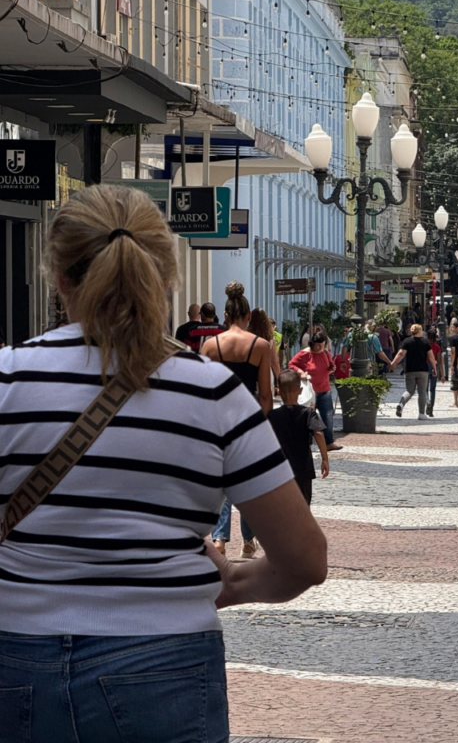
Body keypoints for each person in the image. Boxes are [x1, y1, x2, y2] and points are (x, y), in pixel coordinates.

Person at [0, 184, 326, 741]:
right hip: (165, 664)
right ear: (166, 277)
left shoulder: (7, 379)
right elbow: (304, 559)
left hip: (15, 658)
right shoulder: (212, 394)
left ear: (58, 279)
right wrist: (229, 583)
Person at [203, 282, 275, 558]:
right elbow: (266, 395)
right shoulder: (261, 345)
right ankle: (248, 540)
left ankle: (219, 539)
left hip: (218, 419)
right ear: (247, 316)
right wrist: (260, 422)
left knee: (220, 482)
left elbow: (203, 389)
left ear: (226, 314)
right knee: (246, 483)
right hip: (248, 419)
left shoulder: (210, 346)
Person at [269, 370, 330, 505]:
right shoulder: (308, 413)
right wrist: (324, 458)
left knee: (282, 506)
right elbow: (319, 433)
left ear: (278, 391)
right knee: (303, 504)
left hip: (280, 469)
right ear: (300, 390)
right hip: (303, 469)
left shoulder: (273, 415)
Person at [290, 332, 343, 451]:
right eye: (318, 345)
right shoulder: (304, 354)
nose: (321, 348)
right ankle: (306, 442)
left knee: (328, 416)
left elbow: (331, 364)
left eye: (323, 345)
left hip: (324, 390)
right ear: (312, 344)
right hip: (310, 392)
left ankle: (329, 442)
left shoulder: (325, 353)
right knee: (307, 417)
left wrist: (332, 368)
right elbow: (291, 365)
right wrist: (301, 373)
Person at [390, 324, 437, 420]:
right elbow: (431, 357)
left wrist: (393, 363)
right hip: (423, 370)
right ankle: (421, 414)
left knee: (409, 391)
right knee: (422, 392)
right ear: (420, 331)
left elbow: (401, 354)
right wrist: (434, 368)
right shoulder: (425, 342)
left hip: (410, 370)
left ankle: (401, 404)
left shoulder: (407, 341)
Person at [249, 307, 282, 383]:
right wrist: (280, 380)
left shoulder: (247, 336)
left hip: (249, 371)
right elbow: (274, 362)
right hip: (266, 372)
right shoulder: (270, 339)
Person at [426, 327, 444, 417]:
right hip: (434, 368)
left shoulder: (424, 346)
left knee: (424, 389)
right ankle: (431, 410)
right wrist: (442, 375)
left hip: (425, 367)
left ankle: (427, 402)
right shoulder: (437, 347)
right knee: (432, 389)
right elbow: (440, 361)